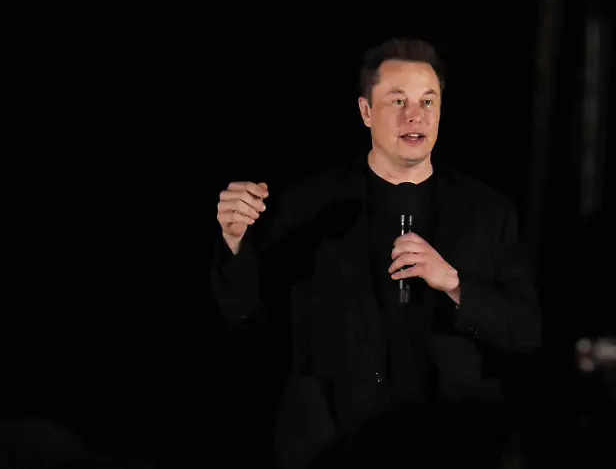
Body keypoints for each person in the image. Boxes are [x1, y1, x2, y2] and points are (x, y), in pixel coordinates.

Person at [210, 38, 541, 468]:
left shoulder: (487, 212)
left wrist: (455, 284)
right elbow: (243, 318)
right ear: (366, 111)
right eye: (397, 100)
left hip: (451, 446)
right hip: (332, 449)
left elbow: (526, 332)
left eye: (427, 101)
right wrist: (235, 241)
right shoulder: (309, 204)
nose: (414, 115)